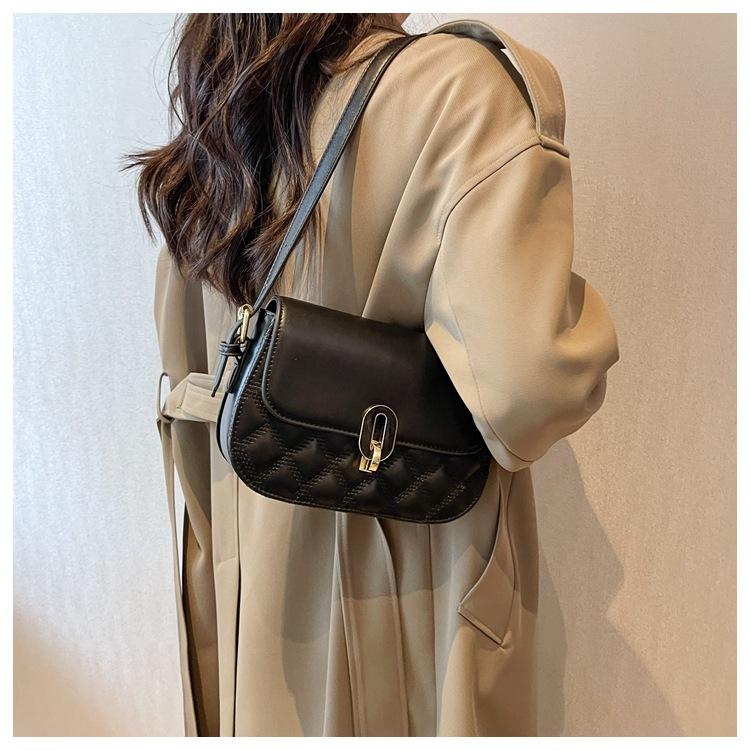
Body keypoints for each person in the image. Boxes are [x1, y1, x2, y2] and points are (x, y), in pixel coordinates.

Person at [124, 13, 620, 737]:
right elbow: (531, 390)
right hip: (403, 624)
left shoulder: (221, 111)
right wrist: (586, 327)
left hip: (244, 607)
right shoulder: (458, 92)